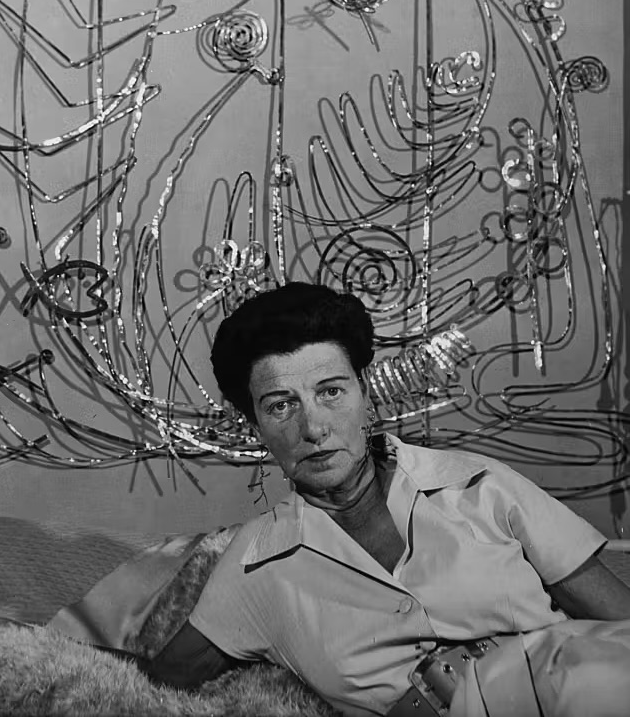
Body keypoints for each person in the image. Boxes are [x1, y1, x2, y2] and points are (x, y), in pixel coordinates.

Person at [137, 282, 630, 716]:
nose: (313, 427)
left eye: (331, 392)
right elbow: (145, 683)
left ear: (365, 394)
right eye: (281, 406)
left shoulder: (480, 486)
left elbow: (620, 626)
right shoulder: (255, 565)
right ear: (257, 428)